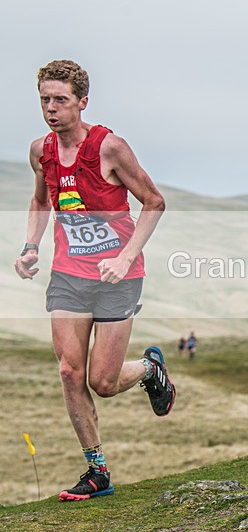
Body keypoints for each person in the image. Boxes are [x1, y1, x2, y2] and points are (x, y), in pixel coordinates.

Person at [13, 60, 173, 501]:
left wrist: (125, 258)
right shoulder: (40, 151)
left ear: (82, 102)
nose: (51, 108)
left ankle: (149, 368)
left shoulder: (109, 148)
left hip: (118, 276)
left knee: (102, 382)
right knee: (69, 372)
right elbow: (41, 201)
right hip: (69, 274)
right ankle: (96, 470)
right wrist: (31, 246)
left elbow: (154, 202)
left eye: (61, 100)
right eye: (45, 99)